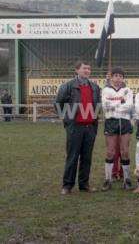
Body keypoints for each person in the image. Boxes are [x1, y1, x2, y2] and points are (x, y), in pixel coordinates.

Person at [55, 60, 101, 194]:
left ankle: (84, 184)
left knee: (87, 158)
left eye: (89, 69)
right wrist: (68, 120)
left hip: (90, 127)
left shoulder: (94, 87)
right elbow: (58, 103)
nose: (87, 71)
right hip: (75, 128)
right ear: (77, 70)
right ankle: (67, 185)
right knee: (72, 156)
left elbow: (97, 105)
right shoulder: (68, 86)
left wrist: (94, 120)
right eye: (84, 68)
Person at [101, 67, 134, 191]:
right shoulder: (106, 90)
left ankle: (127, 179)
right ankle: (108, 179)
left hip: (124, 122)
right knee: (110, 151)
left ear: (123, 78)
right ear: (111, 77)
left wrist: (114, 106)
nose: (118, 78)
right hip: (111, 122)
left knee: (125, 151)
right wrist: (120, 103)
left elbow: (129, 106)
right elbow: (105, 106)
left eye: (120, 76)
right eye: (116, 76)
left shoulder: (127, 90)